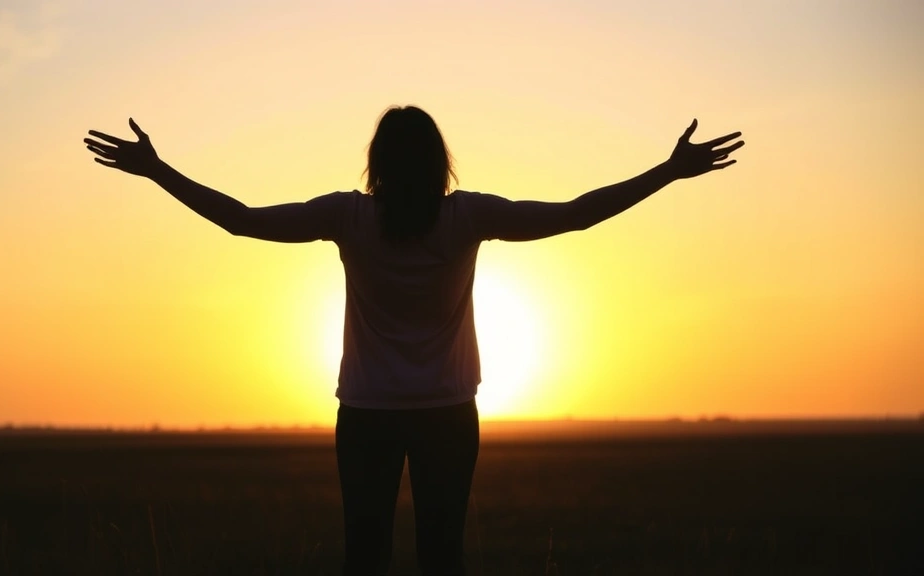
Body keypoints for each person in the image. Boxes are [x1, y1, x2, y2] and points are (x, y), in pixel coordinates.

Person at [83, 106, 743, 575]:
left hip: (367, 417)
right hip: (447, 418)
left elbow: (242, 222)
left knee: (363, 558)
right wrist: (666, 171)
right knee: (442, 558)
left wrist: (158, 170)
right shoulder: (465, 216)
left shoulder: (350, 215)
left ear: (376, 165)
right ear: (438, 163)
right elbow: (574, 216)